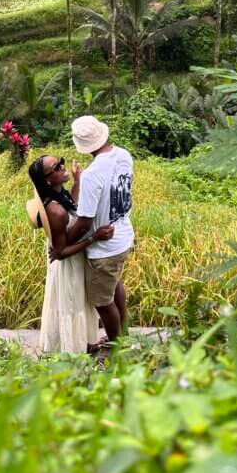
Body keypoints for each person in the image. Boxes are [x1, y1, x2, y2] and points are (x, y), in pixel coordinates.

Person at [27, 154, 114, 353]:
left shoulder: (59, 195)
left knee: (77, 303)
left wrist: (77, 181)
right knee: (72, 305)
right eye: (56, 167)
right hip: (68, 264)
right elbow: (61, 252)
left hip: (75, 260)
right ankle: (71, 349)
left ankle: (81, 343)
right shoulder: (55, 210)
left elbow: (72, 205)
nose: (62, 166)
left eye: (60, 161)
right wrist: (95, 237)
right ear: (48, 179)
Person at [59, 115, 135, 343]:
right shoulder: (123, 155)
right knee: (114, 286)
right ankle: (124, 336)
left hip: (104, 248)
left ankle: (116, 345)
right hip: (123, 236)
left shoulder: (93, 175)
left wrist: (63, 243)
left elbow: (84, 222)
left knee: (103, 301)